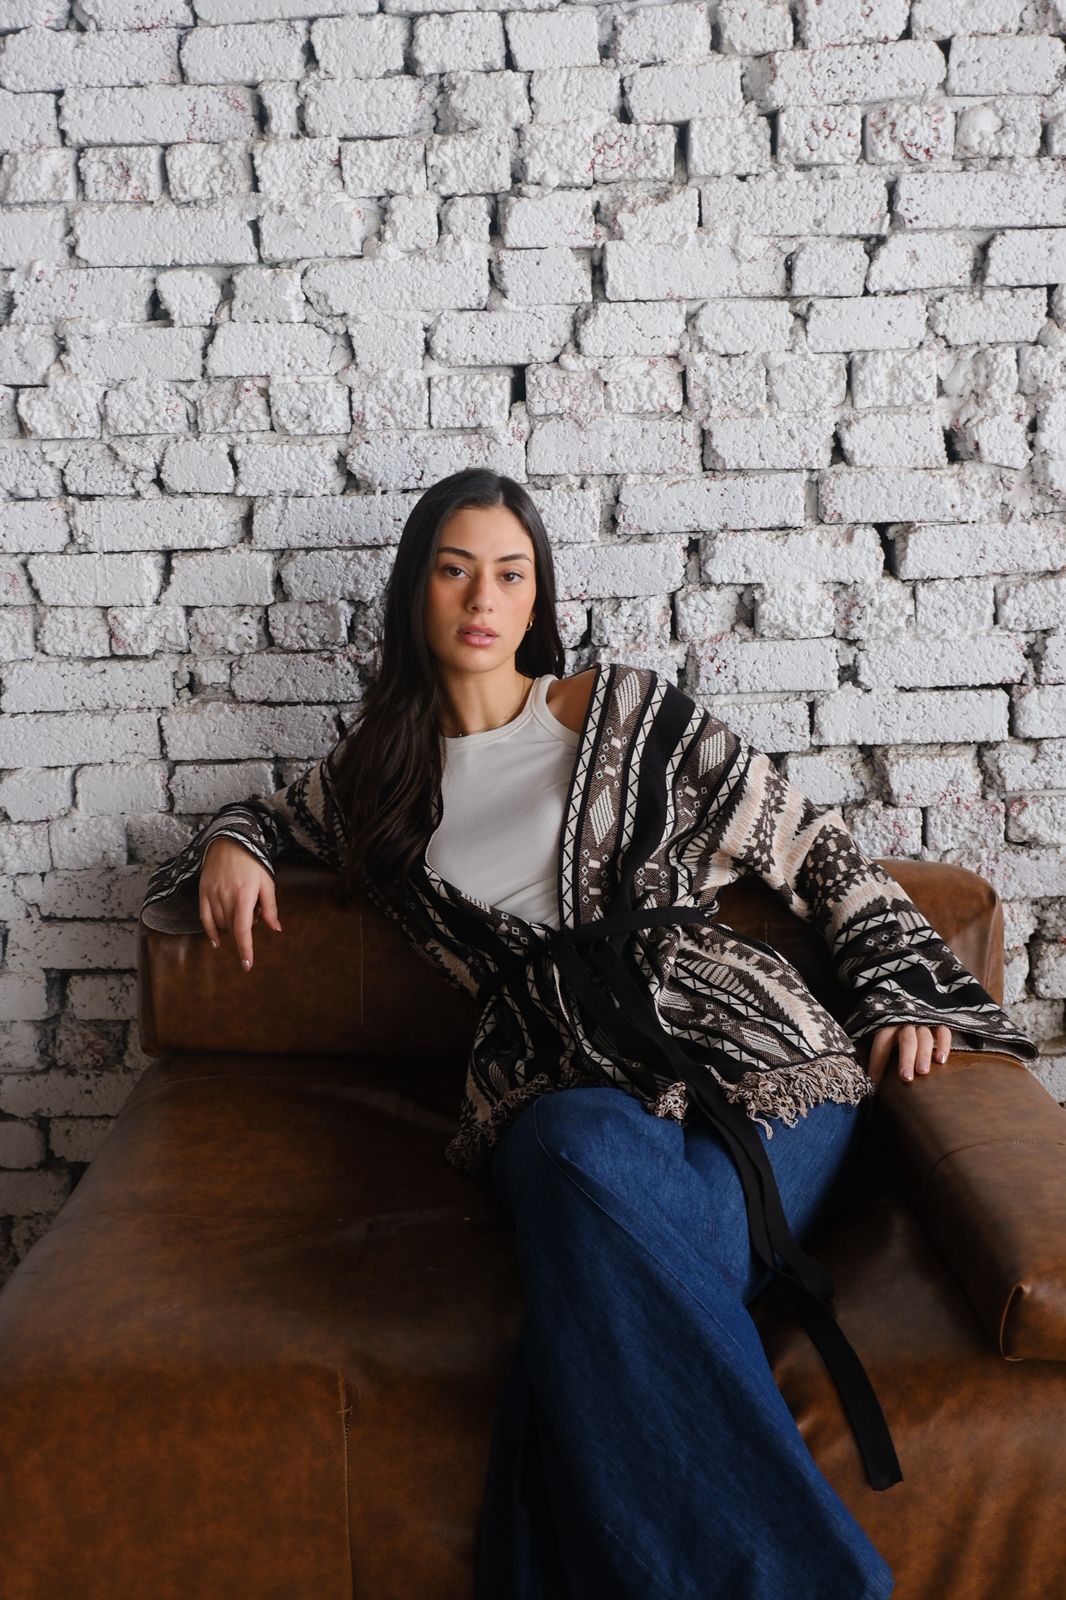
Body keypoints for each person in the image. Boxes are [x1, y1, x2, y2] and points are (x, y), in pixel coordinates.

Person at [140, 467, 1038, 1600]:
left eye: (510, 574)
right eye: (455, 570)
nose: (484, 598)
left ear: (538, 596)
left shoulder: (633, 712)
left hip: (763, 1061)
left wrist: (898, 988)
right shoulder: (375, 778)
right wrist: (235, 841)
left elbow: (815, 848)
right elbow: (261, 818)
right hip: (556, 1079)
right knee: (579, 1152)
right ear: (416, 590)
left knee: (600, 1293)